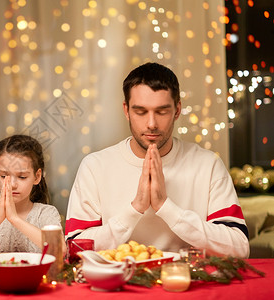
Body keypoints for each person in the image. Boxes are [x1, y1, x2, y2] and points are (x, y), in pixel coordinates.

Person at [65, 62, 249, 258]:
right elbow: (74, 248)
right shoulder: (95, 166)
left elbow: (239, 247)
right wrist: (135, 209)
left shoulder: (208, 164)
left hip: (187, 281)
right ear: (126, 110)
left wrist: (166, 208)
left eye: (162, 111)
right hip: (120, 284)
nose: (151, 124)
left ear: (177, 110)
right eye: (140, 112)